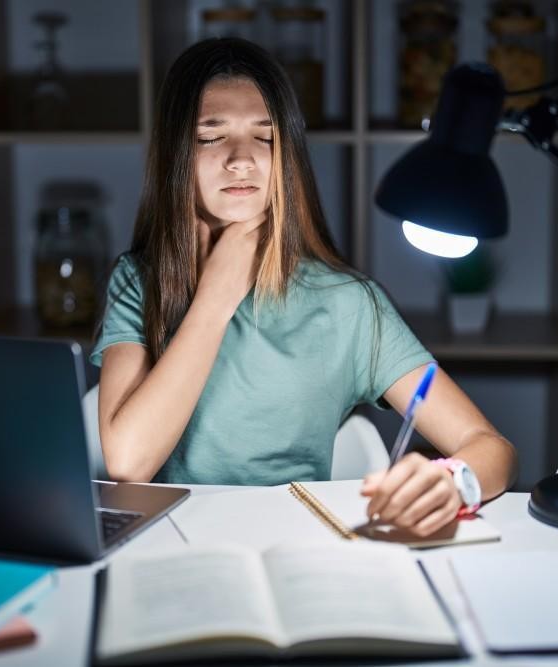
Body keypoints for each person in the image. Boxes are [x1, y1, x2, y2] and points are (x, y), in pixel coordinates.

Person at [91, 38, 517, 538]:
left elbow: (491, 448)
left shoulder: (349, 304)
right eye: (211, 137)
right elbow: (128, 462)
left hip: (299, 550)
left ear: (287, 154)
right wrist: (215, 299)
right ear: (175, 156)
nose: (241, 160)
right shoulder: (138, 281)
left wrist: (452, 481)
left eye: (264, 137)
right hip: (172, 550)